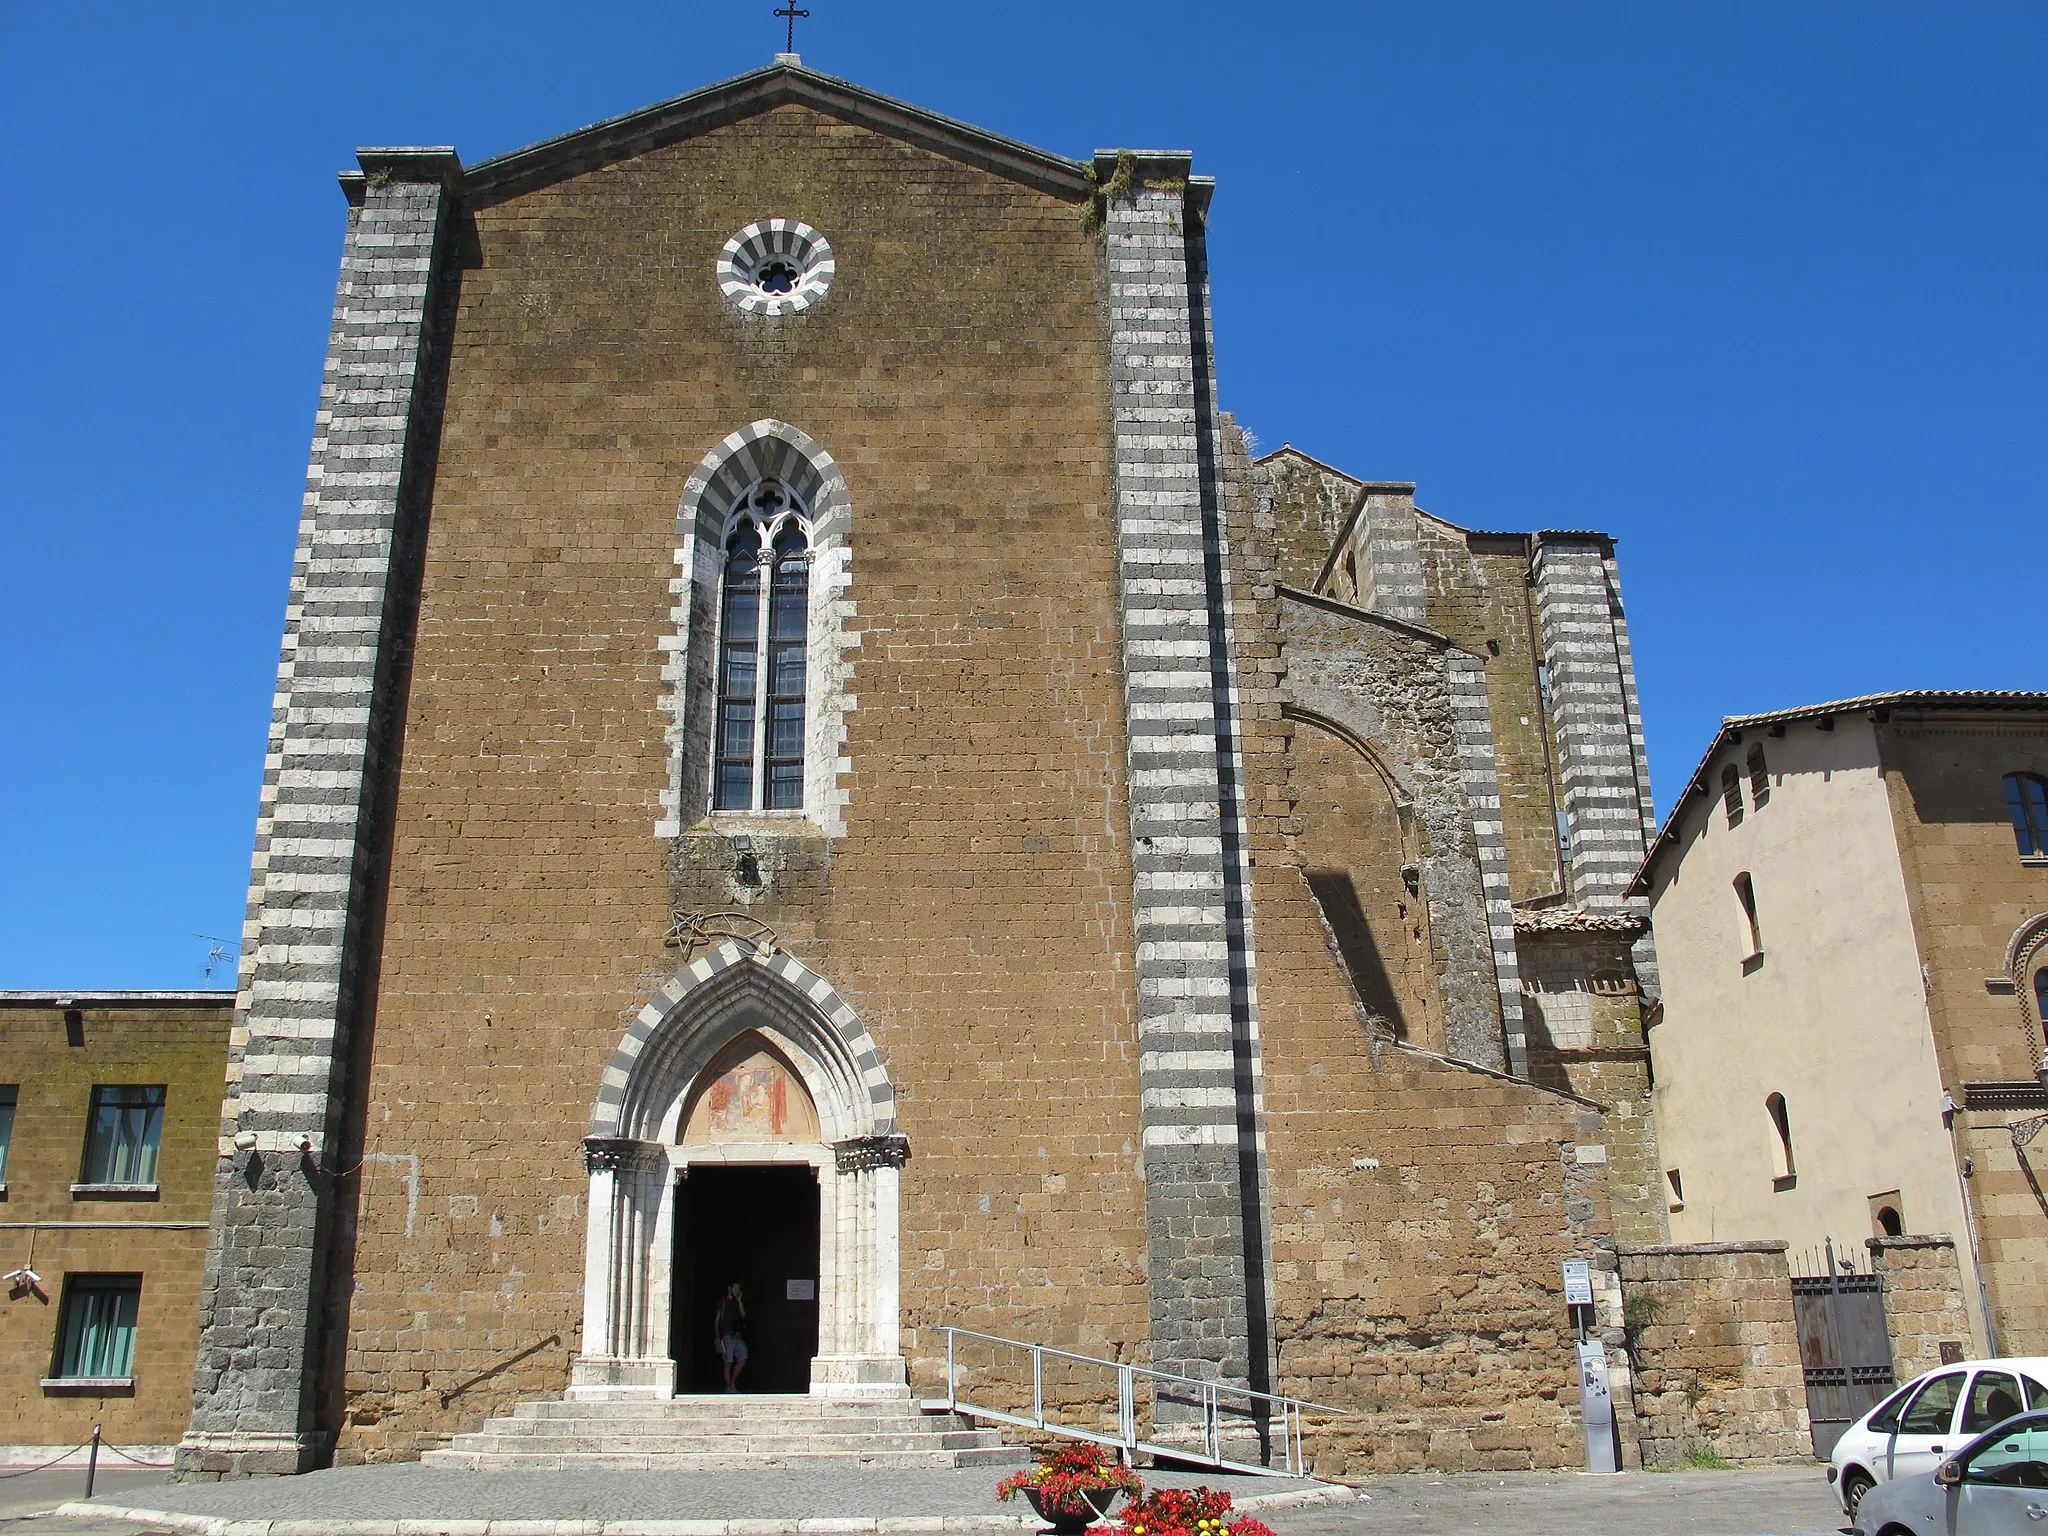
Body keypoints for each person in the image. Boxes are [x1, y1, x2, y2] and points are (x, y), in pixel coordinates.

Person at [714, 1281, 748, 1392]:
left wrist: (739, 1301)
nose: (737, 1291)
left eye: (739, 1289)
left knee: (743, 1357)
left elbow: (743, 1315)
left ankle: (732, 1383)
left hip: (736, 1335)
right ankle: (728, 1387)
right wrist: (717, 1336)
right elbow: (717, 1319)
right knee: (728, 1361)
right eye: (735, 1288)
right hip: (726, 1335)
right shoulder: (723, 1301)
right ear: (730, 1288)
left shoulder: (736, 1302)